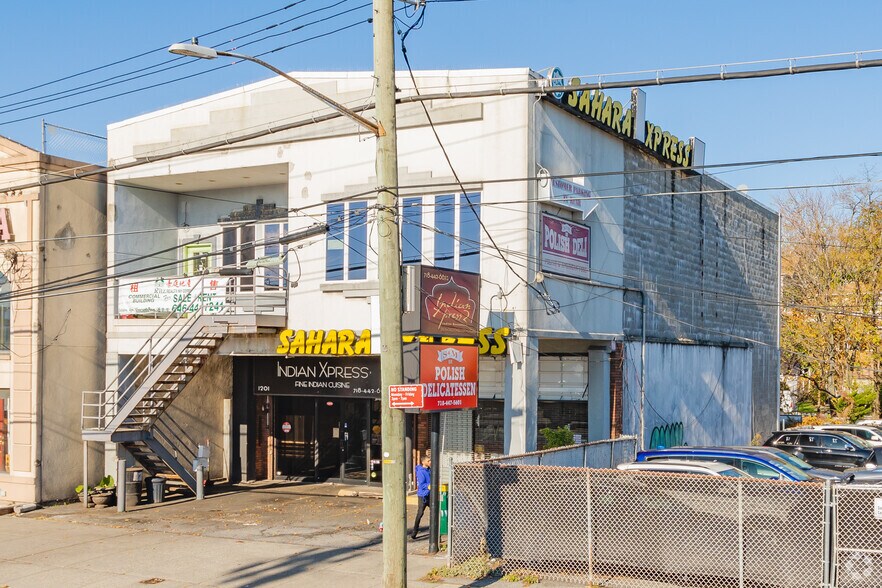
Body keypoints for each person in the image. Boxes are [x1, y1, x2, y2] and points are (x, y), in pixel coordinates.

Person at [411, 455, 431, 539]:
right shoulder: (421, 471)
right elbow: (421, 484)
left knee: (434, 512)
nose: (430, 462)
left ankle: (434, 530)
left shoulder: (430, 470)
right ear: (423, 462)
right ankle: (414, 531)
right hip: (423, 495)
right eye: (428, 461)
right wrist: (429, 486)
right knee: (420, 513)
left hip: (430, 494)